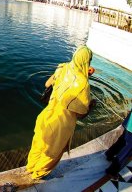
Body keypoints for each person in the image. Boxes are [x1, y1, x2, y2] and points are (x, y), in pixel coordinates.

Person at [26, 45, 95, 179]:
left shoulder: (62, 68)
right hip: (61, 126)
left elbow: (47, 84)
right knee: (52, 155)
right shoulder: (83, 85)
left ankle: (30, 168)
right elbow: (81, 114)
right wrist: (91, 104)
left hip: (46, 117)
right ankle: (36, 176)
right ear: (87, 62)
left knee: (38, 145)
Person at [105, 110, 132, 177]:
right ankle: (112, 170)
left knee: (123, 139)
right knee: (127, 150)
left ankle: (110, 154)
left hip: (129, 122)